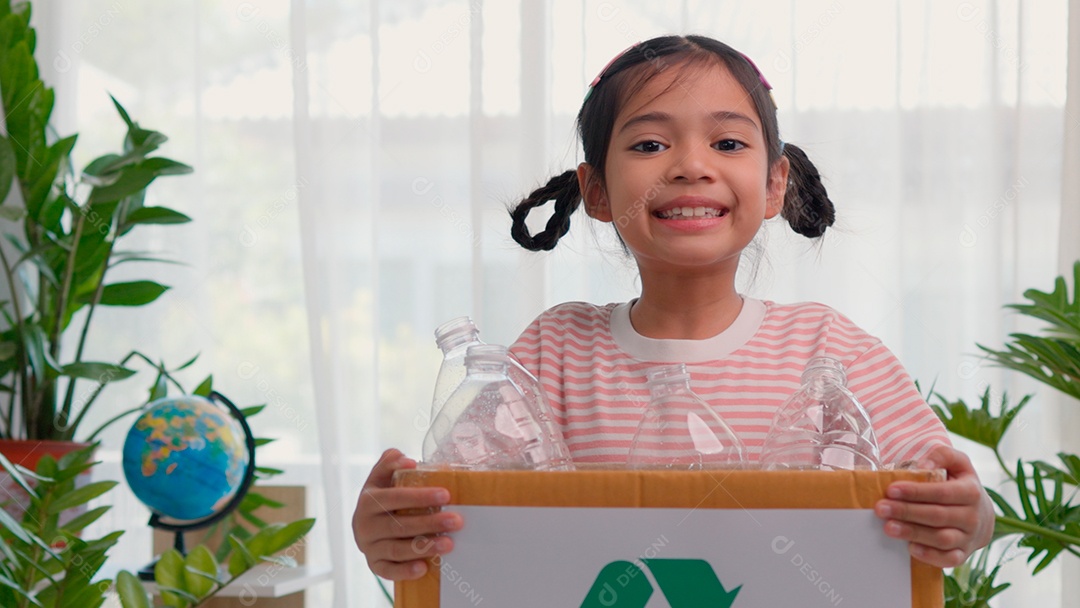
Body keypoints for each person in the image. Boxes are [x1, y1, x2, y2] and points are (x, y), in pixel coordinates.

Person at [353, 34, 994, 581]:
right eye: (651, 145)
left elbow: (941, 492)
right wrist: (392, 531)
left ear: (775, 185)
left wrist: (966, 518)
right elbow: (459, 512)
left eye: (729, 144)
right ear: (597, 191)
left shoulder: (831, 349)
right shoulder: (552, 352)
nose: (691, 166)